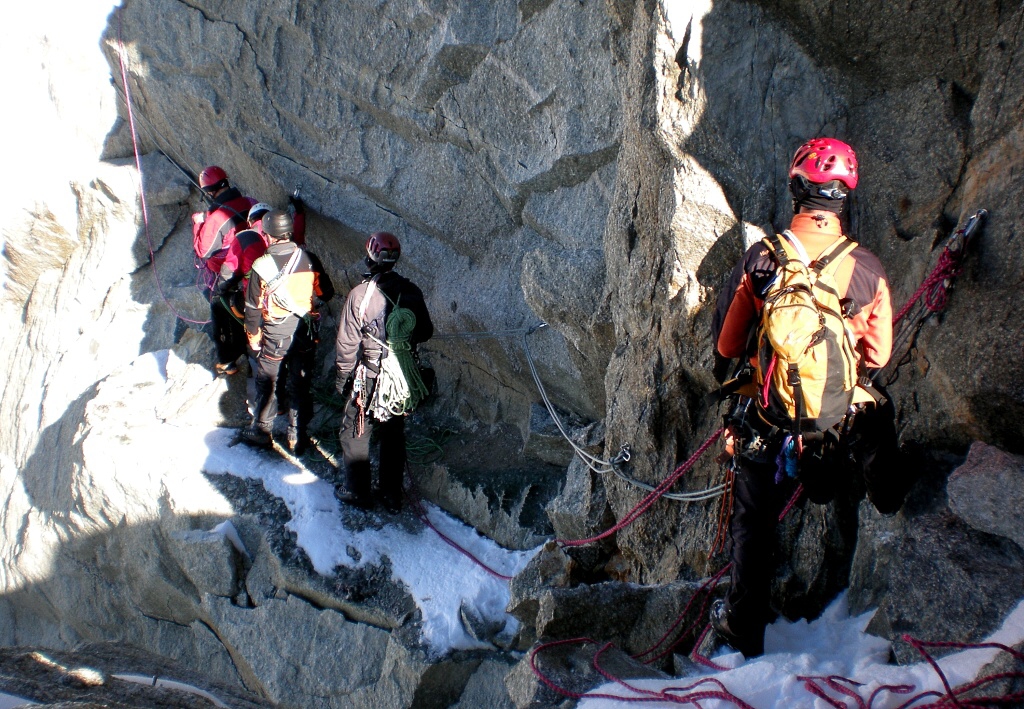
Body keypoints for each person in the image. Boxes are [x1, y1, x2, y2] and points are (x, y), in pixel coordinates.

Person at [708, 137, 909, 657]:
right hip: (835, 417)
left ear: (796, 188)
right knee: (872, 406)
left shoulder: (762, 259)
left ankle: (744, 623)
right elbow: (879, 354)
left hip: (771, 415)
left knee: (753, 519)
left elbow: (728, 344)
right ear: (844, 197)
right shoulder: (867, 268)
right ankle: (883, 492)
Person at [334, 232, 433, 513]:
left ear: (369, 256)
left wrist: (342, 379)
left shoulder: (359, 296)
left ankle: (357, 491)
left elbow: (347, 344)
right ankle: (391, 494)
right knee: (393, 433)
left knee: (357, 430)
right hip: (399, 374)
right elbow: (425, 331)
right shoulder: (410, 290)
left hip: (369, 374)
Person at [240, 210, 329, 447]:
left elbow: (252, 308)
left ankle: (262, 430)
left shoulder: (261, 266)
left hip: (276, 332)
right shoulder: (309, 258)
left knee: (267, 380)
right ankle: (296, 436)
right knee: (300, 382)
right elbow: (326, 292)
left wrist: (254, 336)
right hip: (304, 331)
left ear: (268, 235)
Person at [191, 166, 256, 374]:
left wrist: (199, 224)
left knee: (221, 311)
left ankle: (228, 360)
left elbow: (203, 250)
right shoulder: (248, 201)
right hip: (253, 264)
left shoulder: (216, 218)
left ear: (209, 192)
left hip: (229, 271)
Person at [210, 202, 272, 376]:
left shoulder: (246, 237)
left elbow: (229, 271)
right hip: (285, 297)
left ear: (251, 220)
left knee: (219, 306)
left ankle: (227, 360)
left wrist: (220, 289)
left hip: (256, 300)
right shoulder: (282, 234)